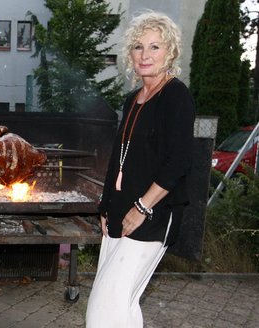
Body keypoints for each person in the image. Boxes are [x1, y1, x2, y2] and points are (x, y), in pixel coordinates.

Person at [85, 11, 195, 327]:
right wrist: (105, 207)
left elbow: (178, 163)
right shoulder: (133, 98)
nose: (145, 55)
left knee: (105, 309)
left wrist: (142, 207)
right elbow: (121, 157)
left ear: (170, 52)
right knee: (124, 306)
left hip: (153, 214)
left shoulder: (176, 96)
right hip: (120, 211)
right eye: (138, 47)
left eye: (155, 47)